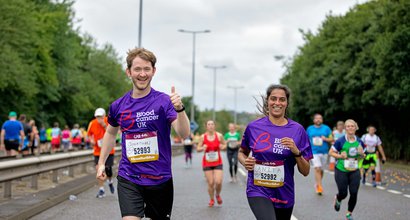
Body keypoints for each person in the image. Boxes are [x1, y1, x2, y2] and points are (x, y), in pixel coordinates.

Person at [96, 48, 190, 220]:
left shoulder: (163, 102)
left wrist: (180, 109)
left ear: (153, 71)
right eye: (137, 69)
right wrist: (101, 163)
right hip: (129, 177)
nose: (142, 74)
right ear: (128, 72)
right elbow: (110, 133)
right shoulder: (118, 106)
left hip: (160, 179)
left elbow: (184, 133)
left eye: (147, 69)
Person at [238, 84, 312, 220]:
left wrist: (296, 152)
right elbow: (242, 152)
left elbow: (306, 171)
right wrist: (245, 162)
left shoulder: (298, 130)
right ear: (268, 101)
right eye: (273, 99)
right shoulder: (254, 127)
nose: (277, 103)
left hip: (284, 193)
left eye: (282, 99)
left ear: (287, 103)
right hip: (258, 189)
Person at [329, 119, 365, 220]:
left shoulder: (360, 141)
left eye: (352, 126)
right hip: (341, 169)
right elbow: (331, 152)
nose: (350, 128)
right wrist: (340, 156)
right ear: (345, 128)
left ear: (356, 127)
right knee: (343, 193)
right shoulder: (340, 141)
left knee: (354, 192)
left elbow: (363, 156)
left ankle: (349, 213)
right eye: (348, 126)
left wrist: (362, 154)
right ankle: (338, 198)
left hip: (354, 170)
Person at [197, 120, 226, 207]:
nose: (210, 126)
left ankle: (217, 194)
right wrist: (202, 148)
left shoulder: (219, 136)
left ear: (214, 126)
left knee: (218, 181)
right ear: (206, 126)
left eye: (212, 124)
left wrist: (222, 147)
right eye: (208, 124)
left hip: (218, 162)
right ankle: (211, 199)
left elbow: (225, 145)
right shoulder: (203, 137)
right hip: (207, 162)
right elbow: (198, 148)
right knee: (210, 183)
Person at [88, 108, 116, 198]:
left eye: (100, 117)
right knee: (99, 170)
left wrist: (104, 125)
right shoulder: (92, 123)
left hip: (109, 150)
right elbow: (88, 134)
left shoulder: (109, 121)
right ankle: (101, 189)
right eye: (97, 117)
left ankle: (110, 181)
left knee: (108, 169)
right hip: (97, 151)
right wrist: (91, 140)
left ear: (104, 116)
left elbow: (113, 132)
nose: (98, 119)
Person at [306, 113, 333, 195]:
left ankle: (318, 183)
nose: (318, 120)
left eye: (320, 118)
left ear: (322, 120)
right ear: (314, 120)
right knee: (317, 168)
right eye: (316, 118)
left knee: (321, 170)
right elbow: (306, 139)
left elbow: (332, 139)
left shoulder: (326, 128)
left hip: (324, 152)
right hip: (314, 152)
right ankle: (319, 186)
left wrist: (326, 139)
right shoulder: (309, 129)